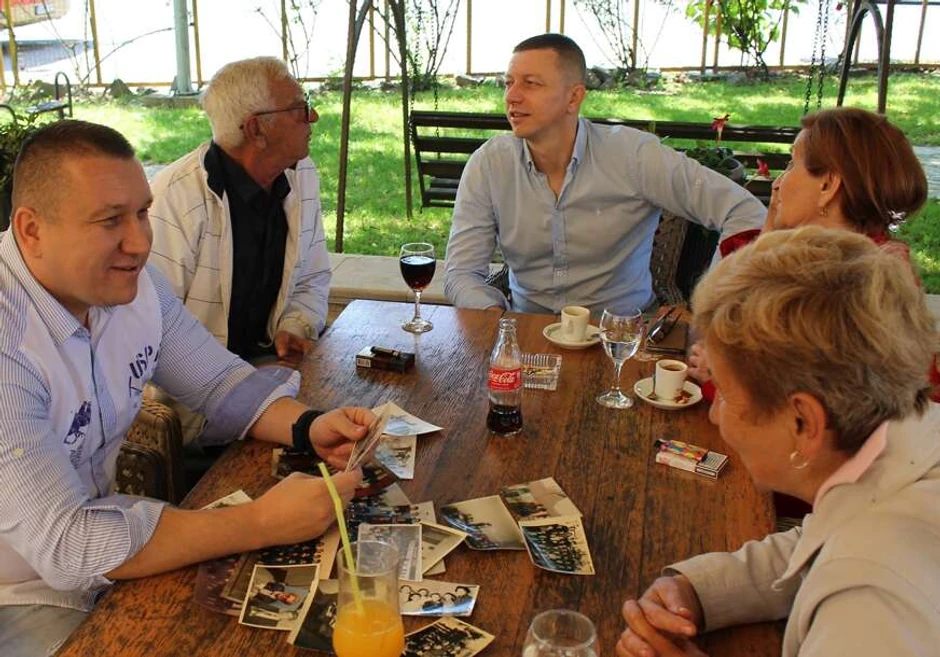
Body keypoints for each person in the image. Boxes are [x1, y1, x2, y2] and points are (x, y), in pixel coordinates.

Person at [0, 120, 368, 657]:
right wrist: (262, 521)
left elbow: (217, 381)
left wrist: (310, 426)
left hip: (106, 554)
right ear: (31, 230)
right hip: (18, 594)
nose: (141, 242)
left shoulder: (132, 284)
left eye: (143, 212)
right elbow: (69, 545)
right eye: (110, 221)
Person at [617, 227, 940, 657]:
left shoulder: (870, 606)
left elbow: (852, 558)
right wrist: (697, 589)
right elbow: (821, 540)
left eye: (726, 394)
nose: (716, 414)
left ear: (803, 423)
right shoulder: (906, 435)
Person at [443, 33, 766, 316]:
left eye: (531, 83)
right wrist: (493, 316)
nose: (512, 96)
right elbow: (461, 272)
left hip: (621, 338)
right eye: (509, 82)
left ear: (574, 97)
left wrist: (711, 309)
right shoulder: (489, 165)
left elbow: (744, 212)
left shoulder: (633, 156)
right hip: (528, 331)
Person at [687, 107, 939, 404]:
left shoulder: (844, 287)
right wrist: (770, 235)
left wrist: (721, 379)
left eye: (792, 165)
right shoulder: (837, 259)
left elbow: (794, 412)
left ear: (828, 185)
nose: (778, 182)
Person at [149, 56, 329, 368]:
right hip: (198, 392)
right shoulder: (176, 198)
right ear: (256, 129)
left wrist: (294, 327)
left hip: (275, 369)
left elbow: (312, 278)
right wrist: (237, 387)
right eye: (299, 108)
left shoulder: (299, 173)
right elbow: (155, 325)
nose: (313, 116)